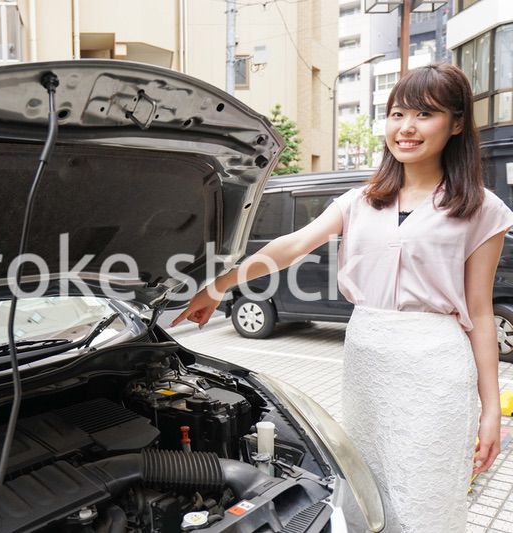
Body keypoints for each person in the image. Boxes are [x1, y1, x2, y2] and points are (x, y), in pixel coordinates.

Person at [171, 63, 513, 532]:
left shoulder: (482, 208)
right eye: (396, 113)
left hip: (436, 367)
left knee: (425, 495)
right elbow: (289, 246)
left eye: (424, 114)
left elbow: (478, 312)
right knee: (366, 489)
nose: (406, 127)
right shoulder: (361, 200)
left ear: (456, 124)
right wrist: (218, 287)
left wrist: (491, 412)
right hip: (367, 359)